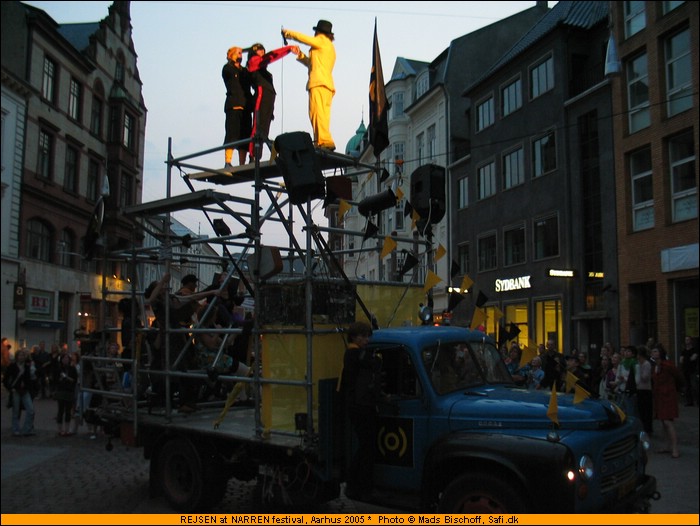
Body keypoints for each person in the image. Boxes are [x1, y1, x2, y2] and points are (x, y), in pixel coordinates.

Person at [339, 321, 381, 500]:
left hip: (360, 404)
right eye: (363, 336)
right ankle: (356, 483)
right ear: (354, 337)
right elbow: (371, 363)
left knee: (367, 446)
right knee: (366, 447)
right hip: (359, 406)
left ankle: (356, 483)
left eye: (367, 336)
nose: (366, 339)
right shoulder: (353, 353)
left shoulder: (355, 353)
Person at [282, 20, 337, 150]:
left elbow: (304, 39)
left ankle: (323, 142)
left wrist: (288, 34)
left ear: (319, 32)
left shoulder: (322, 40)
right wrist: (300, 55)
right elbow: (312, 64)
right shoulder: (328, 47)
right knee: (321, 115)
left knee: (317, 114)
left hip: (319, 83)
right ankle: (322, 141)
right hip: (325, 83)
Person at [245, 42, 299, 160]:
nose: (262, 53)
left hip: (268, 98)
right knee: (258, 126)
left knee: (265, 127)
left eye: (263, 50)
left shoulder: (263, 69)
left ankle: (257, 155)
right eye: (260, 50)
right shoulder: (254, 62)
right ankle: (253, 155)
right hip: (261, 95)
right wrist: (288, 49)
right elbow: (271, 56)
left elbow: (269, 57)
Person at [222, 45, 253, 169]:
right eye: (238, 53)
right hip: (234, 105)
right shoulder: (228, 68)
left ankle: (242, 163)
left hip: (245, 106)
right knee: (232, 133)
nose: (241, 55)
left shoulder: (244, 71)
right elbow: (230, 74)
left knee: (245, 135)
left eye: (241, 53)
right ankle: (228, 161)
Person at [651, 346, 683, 458]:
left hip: (668, 396)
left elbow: (678, 376)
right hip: (659, 397)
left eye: (655, 351)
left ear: (660, 353)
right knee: (663, 423)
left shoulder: (667, 365)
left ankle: (675, 448)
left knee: (668, 422)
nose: (653, 353)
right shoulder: (655, 367)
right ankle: (667, 445)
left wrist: (675, 389)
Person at [3, 348, 36, 436]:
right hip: (16, 390)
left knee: (31, 410)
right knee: (16, 411)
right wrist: (10, 388)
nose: (22, 357)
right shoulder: (12, 366)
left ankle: (26, 429)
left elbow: (29, 379)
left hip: (25, 390)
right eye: (20, 355)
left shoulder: (26, 366)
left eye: (23, 355)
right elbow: (5, 380)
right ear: (17, 357)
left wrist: (28, 387)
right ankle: (15, 429)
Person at [54, 351, 77, 437]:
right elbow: (55, 380)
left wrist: (67, 379)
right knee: (60, 410)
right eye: (64, 358)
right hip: (61, 391)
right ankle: (60, 429)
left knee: (68, 411)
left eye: (67, 358)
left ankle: (67, 429)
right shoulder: (58, 369)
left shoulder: (72, 369)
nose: (66, 360)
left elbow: (74, 380)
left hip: (69, 391)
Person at [635, 346, 653, 434]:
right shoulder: (638, 364)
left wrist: (640, 372)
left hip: (646, 390)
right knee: (641, 410)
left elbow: (645, 377)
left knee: (647, 410)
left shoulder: (646, 364)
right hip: (639, 389)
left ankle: (648, 428)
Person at [679, 335, 698, 406]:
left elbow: (693, 358)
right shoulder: (684, 351)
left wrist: (686, 360)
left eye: (688, 340)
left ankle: (697, 401)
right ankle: (689, 402)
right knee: (687, 387)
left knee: (694, 386)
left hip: (692, 371)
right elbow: (681, 360)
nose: (686, 341)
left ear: (691, 341)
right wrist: (688, 359)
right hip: (685, 371)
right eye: (685, 340)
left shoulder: (694, 350)